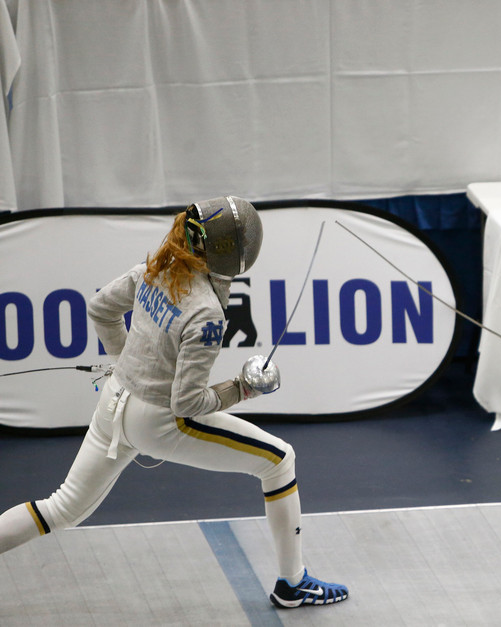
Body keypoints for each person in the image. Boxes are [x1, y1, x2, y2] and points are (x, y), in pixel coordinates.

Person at [0, 196, 348, 608]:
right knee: (279, 460)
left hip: (114, 400)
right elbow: (187, 403)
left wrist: (127, 364)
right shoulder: (207, 313)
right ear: (230, 252)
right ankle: (293, 584)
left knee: (61, 508)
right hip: (158, 422)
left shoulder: (157, 266)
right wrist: (243, 388)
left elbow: (100, 309)